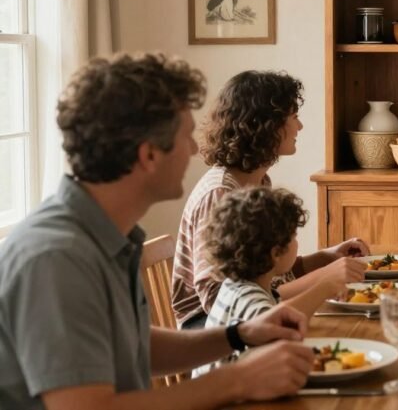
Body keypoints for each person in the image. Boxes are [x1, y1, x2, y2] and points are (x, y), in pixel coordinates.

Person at [0, 53, 315, 410]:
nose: (196, 148)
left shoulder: (103, 236)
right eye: (185, 136)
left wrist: (238, 335)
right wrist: (238, 379)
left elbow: (135, 346)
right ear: (149, 155)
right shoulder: (57, 257)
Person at [172, 70, 367, 329]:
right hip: (211, 328)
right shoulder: (219, 193)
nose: (300, 127)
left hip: (251, 311)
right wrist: (322, 280)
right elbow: (221, 299)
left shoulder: (258, 180)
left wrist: (326, 257)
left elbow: (261, 269)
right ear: (266, 124)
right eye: (294, 117)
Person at [196, 187, 347, 376]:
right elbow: (278, 334)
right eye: (294, 237)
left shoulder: (235, 285)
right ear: (276, 253)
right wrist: (325, 286)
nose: (297, 243)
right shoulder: (250, 298)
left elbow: (284, 313)